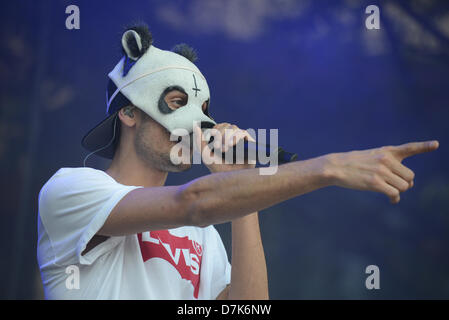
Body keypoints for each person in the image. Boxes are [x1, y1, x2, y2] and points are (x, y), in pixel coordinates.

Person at [37, 23, 439, 300]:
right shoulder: (71, 191)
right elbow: (191, 203)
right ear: (129, 113)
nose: (196, 122)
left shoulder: (204, 235)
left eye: (203, 108)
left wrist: (243, 188)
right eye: (177, 103)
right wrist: (328, 167)